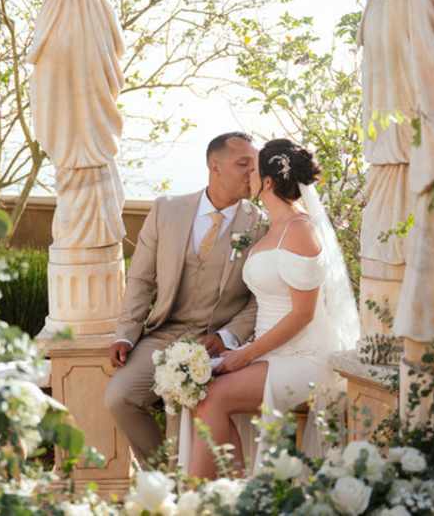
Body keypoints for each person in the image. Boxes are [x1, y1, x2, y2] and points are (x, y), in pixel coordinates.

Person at [181, 139, 360, 478]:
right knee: (199, 390)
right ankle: (229, 492)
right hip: (269, 352)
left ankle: (216, 494)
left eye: (253, 169)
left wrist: (244, 356)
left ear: (266, 182)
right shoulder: (271, 227)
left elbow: (302, 314)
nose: (247, 174)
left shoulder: (301, 231)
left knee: (211, 397)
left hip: (305, 358)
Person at [104, 131, 266, 467]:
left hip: (215, 344)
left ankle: (185, 487)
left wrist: (227, 337)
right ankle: (162, 477)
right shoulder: (167, 210)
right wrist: (125, 334)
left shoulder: (259, 224)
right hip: (164, 333)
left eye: (255, 165)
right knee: (120, 397)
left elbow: (259, 298)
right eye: (243, 164)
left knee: (184, 413)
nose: (253, 173)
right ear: (214, 166)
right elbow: (141, 278)